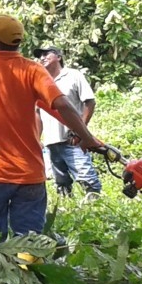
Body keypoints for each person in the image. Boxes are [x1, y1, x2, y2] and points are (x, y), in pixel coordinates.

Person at [0, 15, 105, 244]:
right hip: (29, 173)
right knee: (29, 240)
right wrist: (86, 137)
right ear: (18, 42)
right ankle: (27, 277)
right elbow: (63, 104)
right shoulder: (33, 69)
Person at [33, 46, 101, 198]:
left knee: (87, 179)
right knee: (61, 183)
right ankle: (68, 211)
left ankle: (95, 207)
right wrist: (37, 138)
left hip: (72, 140)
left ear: (58, 56)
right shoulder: (39, 81)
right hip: (51, 141)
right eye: (40, 56)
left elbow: (89, 102)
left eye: (46, 54)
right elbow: (37, 112)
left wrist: (80, 130)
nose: (42, 58)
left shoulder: (73, 76)